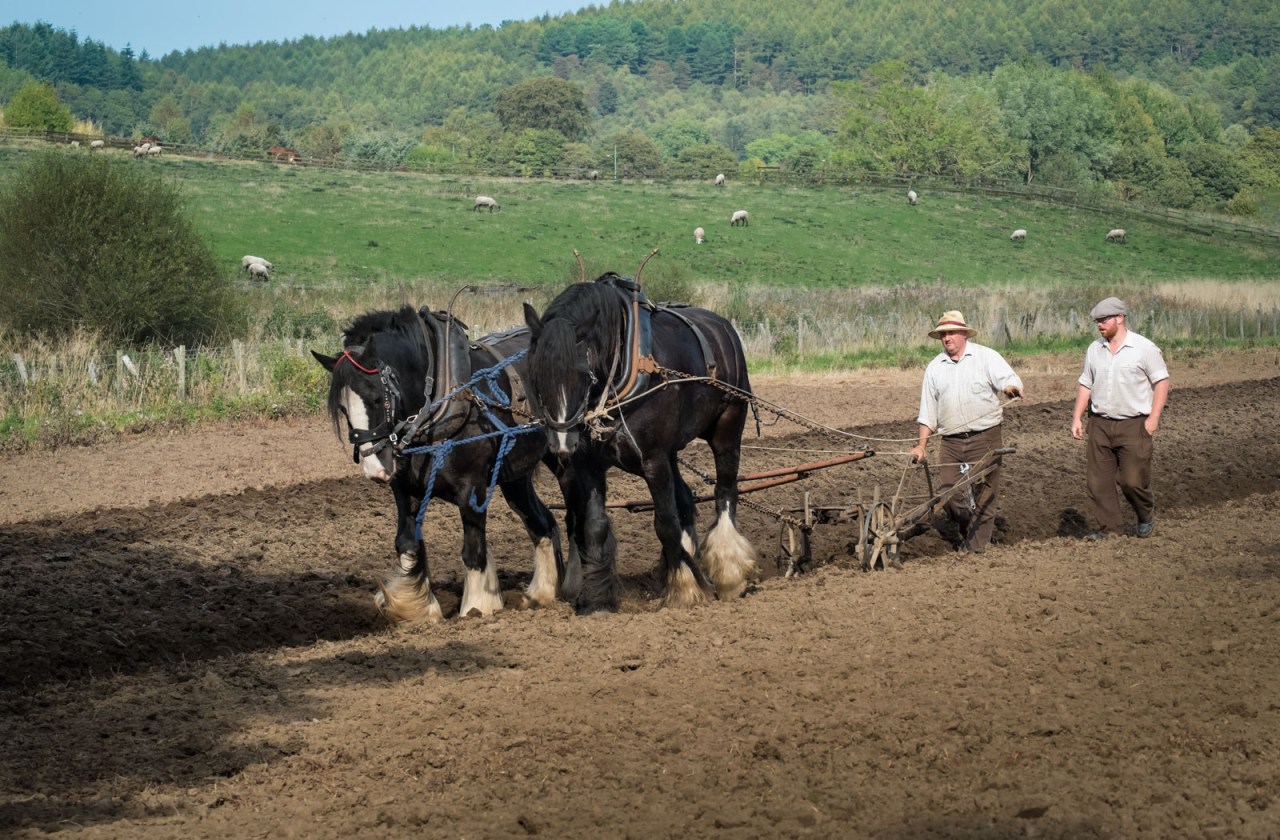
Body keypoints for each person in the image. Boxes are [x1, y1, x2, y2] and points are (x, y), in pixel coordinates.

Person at [910, 311, 1023, 554]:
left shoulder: (986, 357)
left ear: (963, 334)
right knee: (948, 493)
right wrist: (921, 445)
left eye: (950, 333)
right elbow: (928, 412)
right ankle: (971, 528)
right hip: (950, 441)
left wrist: (1011, 388)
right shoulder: (934, 368)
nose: (946, 338)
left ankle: (975, 548)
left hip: (985, 437)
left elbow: (1009, 380)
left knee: (984, 493)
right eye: (942, 334)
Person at [1070, 296, 1169, 539]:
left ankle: (1145, 513)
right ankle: (1110, 531)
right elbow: (1086, 383)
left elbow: (1161, 381)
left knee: (1132, 481)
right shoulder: (1095, 349)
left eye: (1104, 320)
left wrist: (1153, 418)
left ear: (1120, 319)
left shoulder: (1144, 348)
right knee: (1098, 483)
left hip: (1134, 423)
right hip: (1100, 423)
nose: (1100, 325)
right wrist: (1077, 418)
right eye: (1097, 321)